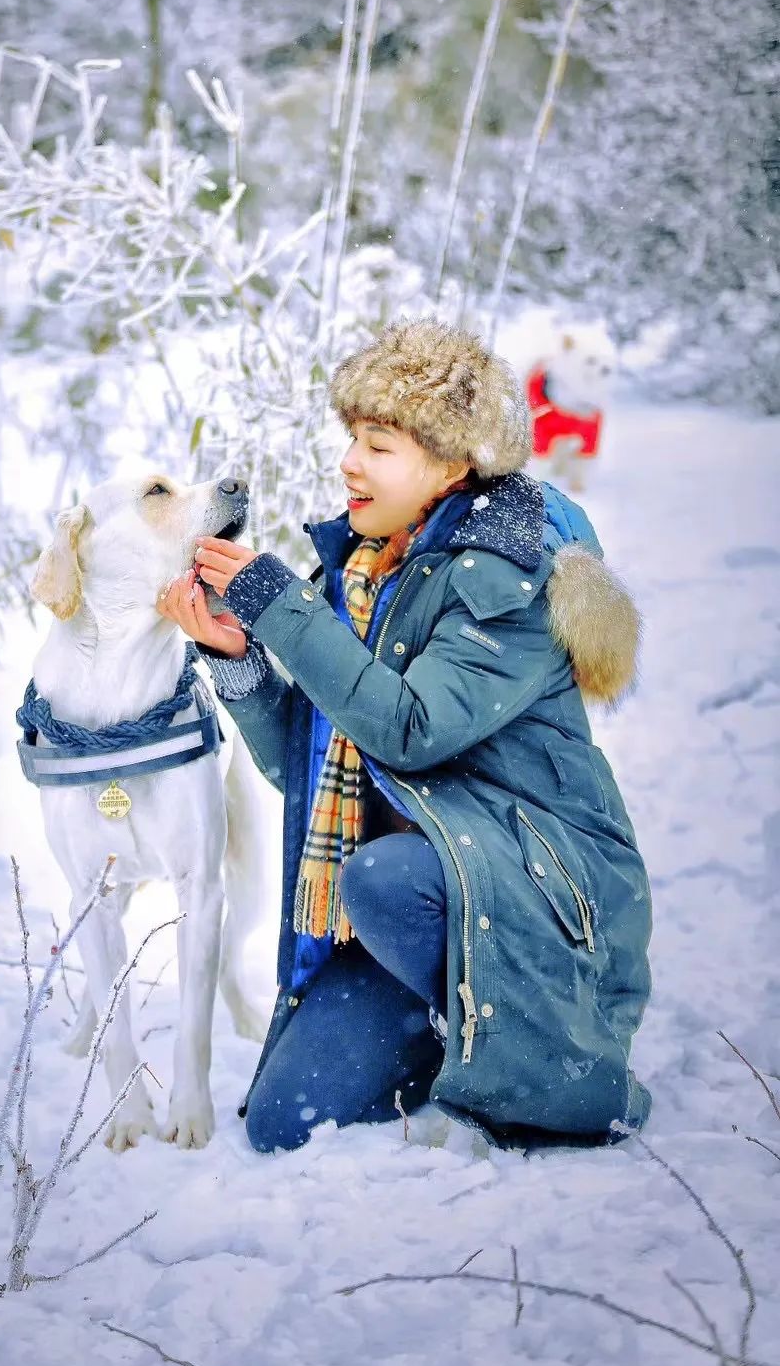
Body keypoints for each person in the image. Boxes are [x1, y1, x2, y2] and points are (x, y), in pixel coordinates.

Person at [157, 317, 652, 1154]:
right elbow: (312, 766)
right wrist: (238, 662)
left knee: (383, 876)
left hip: (531, 902)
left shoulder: (512, 571)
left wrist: (282, 607)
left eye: (378, 445)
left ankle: (529, 1046)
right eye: (352, 437)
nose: (349, 461)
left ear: (452, 462)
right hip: (424, 907)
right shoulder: (363, 564)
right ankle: (447, 1022)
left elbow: (410, 731)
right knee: (284, 1123)